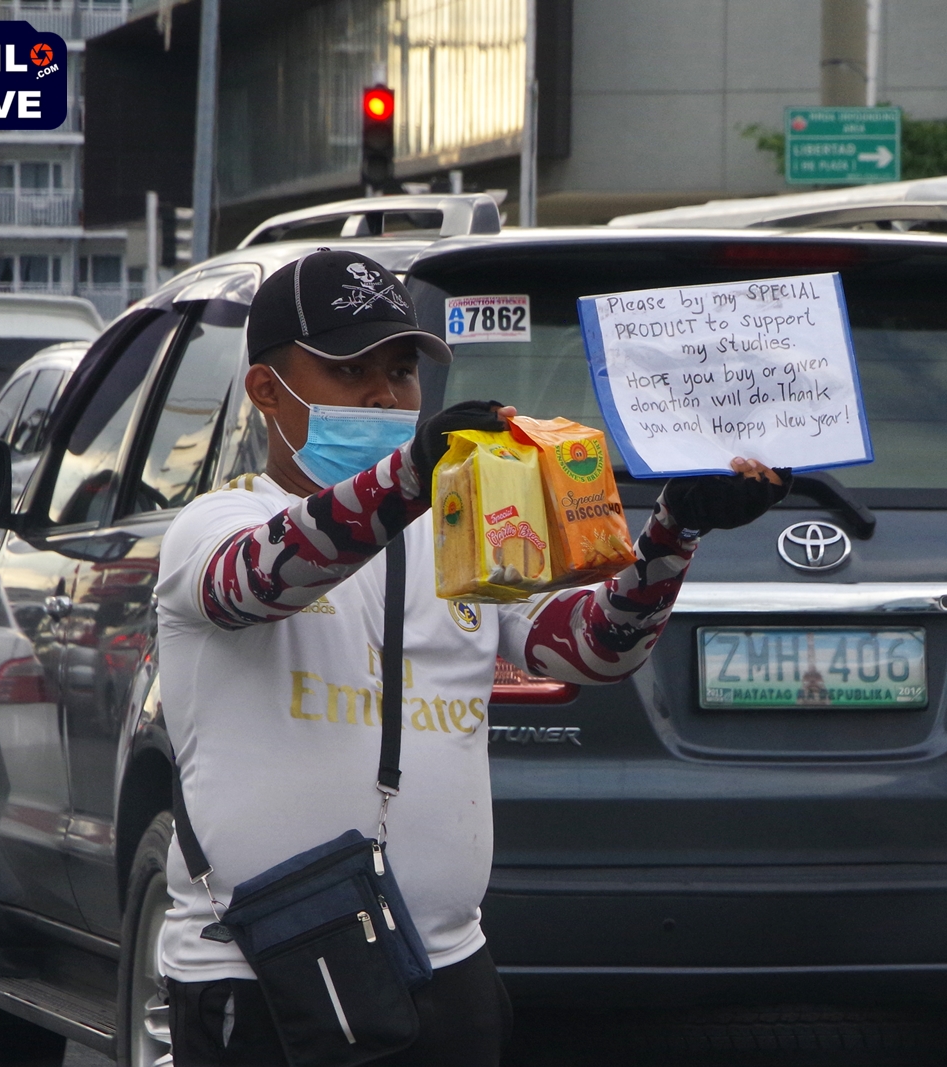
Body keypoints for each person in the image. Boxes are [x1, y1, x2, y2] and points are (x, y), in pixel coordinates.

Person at [154, 250, 790, 1067]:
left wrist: (674, 531)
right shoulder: (216, 525)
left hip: (448, 966)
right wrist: (412, 474)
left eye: (401, 372)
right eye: (350, 371)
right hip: (262, 972)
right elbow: (257, 578)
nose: (385, 396)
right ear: (266, 391)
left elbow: (592, 647)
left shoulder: (463, 530)